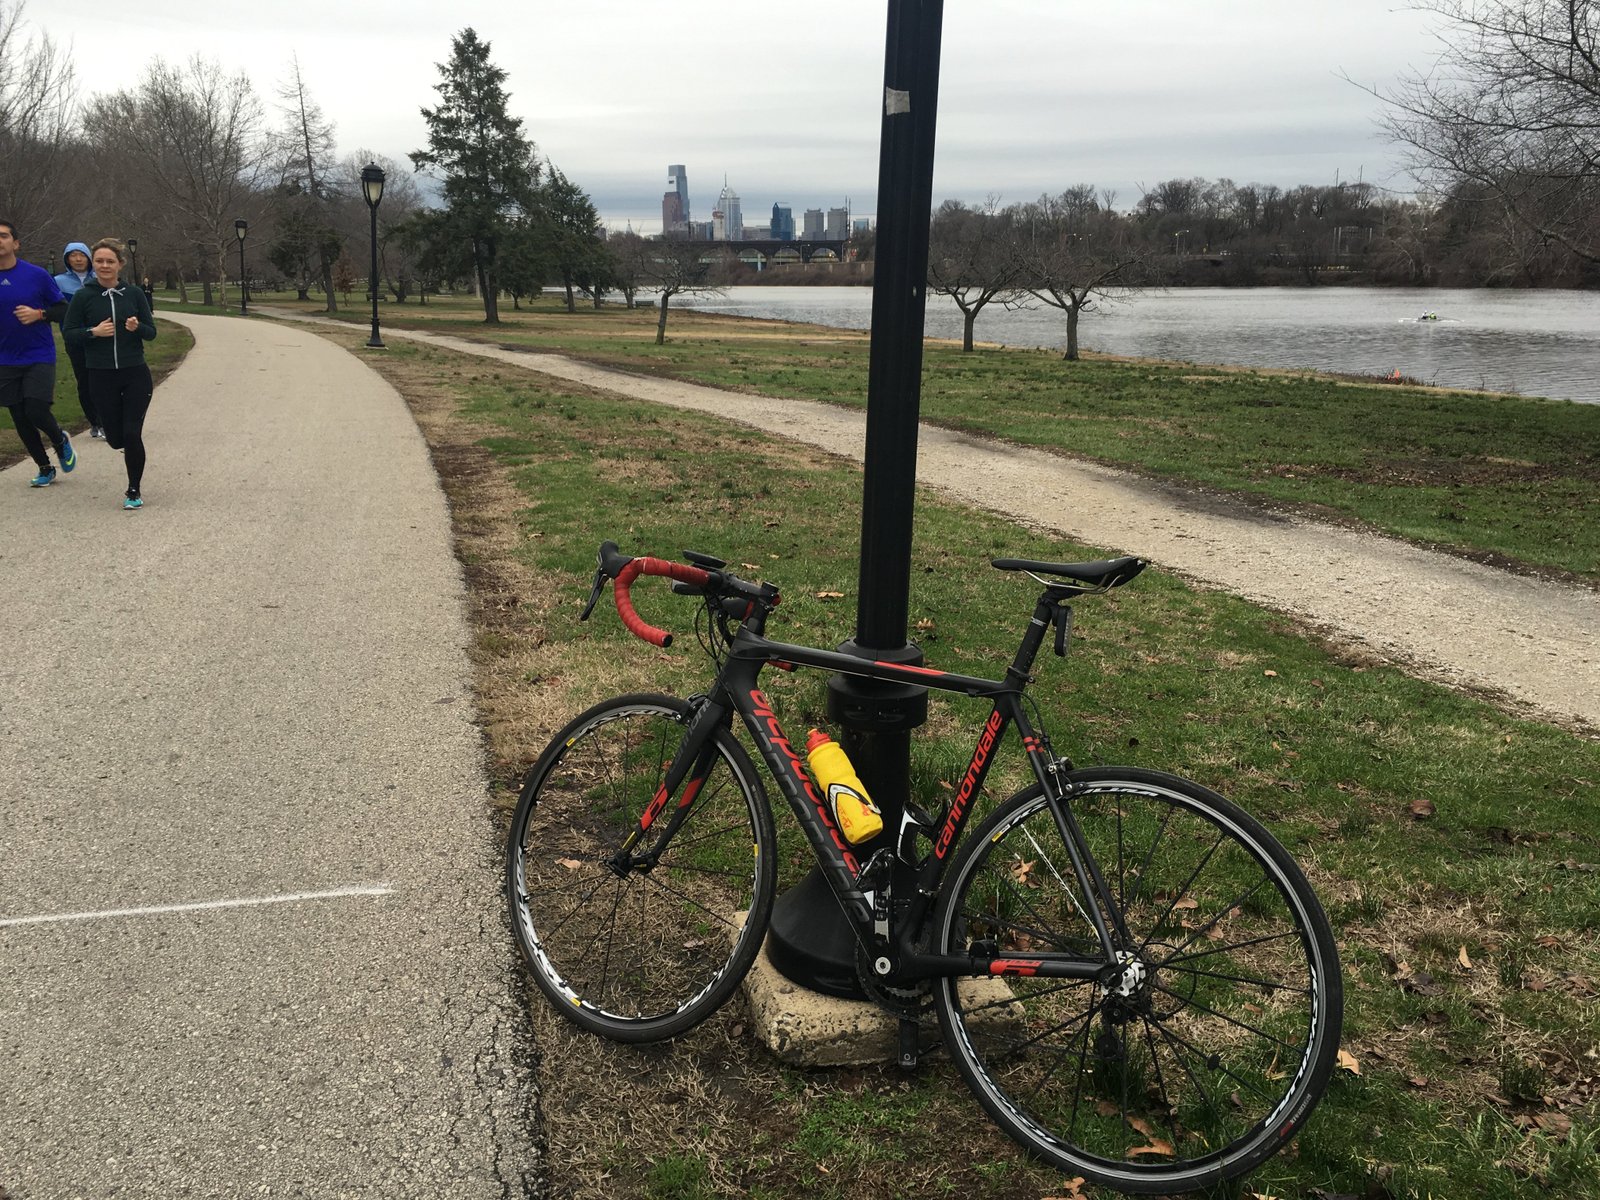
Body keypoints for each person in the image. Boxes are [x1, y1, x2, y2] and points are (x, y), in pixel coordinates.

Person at [63, 239, 156, 510]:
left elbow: (152, 334)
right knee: (115, 438)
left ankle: (133, 490)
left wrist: (137, 327)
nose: (104, 266)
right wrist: (93, 332)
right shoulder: (84, 296)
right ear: (94, 264)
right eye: (100, 261)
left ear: (120, 265)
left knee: (131, 433)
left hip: (135, 372)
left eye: (110, 261)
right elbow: (69, 333)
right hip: (101, 375)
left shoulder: (135, 294)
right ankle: (121, 443)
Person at [0, 218, 77, 488]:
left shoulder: (36, 275)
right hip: (4, 358)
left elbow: (62, 309)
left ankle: (60, 440)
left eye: (4, 236)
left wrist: (39, 314)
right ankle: (44, 467)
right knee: (19, 416)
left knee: (35, 409)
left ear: (16, 243)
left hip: (38, 354)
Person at [53, 240, 103, 438]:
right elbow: (56, 309)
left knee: (102, 379)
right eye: (73, 255)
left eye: (81, 255)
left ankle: (107, 419)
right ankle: (95, 422)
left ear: (88, 258)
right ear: (67, 259)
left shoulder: (99, 278)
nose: (78, 259)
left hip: (99, 335)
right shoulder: (58, 282)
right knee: (84, 380)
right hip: (75, 338)